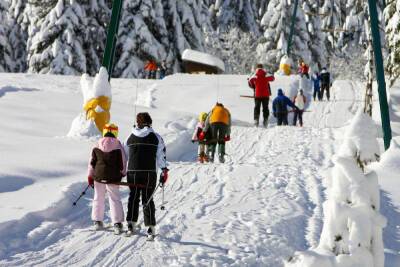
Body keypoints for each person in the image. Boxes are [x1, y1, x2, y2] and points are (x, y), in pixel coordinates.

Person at [124, 112, 168, 239]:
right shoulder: (156, 137)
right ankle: (150, 228)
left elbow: (125, 154)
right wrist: (164, 169)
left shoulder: (130, 137)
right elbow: (161, 155)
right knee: (147, 198)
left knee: (133, 197)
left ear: (137, 123)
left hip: (132, 171)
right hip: (149, 172)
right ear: (150, 122)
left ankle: (131, 224)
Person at [87, 123, 126, 234]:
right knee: (114, 198)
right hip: (113, 177)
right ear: (115, 132)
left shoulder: (97, 144)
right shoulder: (118, 145)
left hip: (98, 176)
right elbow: (123, 162)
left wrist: (90, 175)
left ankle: (97, 221)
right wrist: (122, 174)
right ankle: (117, 223)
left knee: (98, 198)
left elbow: (91, 162)